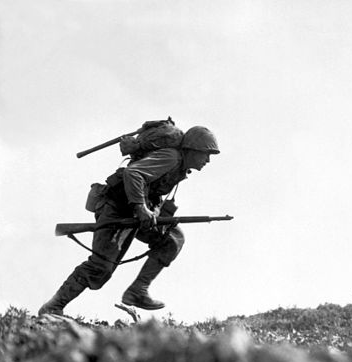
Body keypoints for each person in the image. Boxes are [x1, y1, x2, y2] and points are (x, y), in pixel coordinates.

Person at [38, 125, 220, 316]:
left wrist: (152, 211)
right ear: (193, 149)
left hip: (135, 213)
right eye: (206, 154)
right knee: (101, 267)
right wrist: (141, 208)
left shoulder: (180, 166)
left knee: (172, 239)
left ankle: (137, 291)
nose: (207, 160)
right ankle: (53, 307)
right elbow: (133, 173)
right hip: (117, 209)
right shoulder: (171, 158)